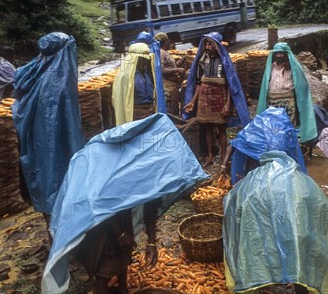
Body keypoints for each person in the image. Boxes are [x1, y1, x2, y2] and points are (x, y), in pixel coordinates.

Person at [42, 113, 210, 293]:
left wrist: (151, 243)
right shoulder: (106, 160)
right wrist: (119, 233)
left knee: (123, 255)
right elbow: (96, 202)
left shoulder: (150, 169)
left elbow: (151, 205)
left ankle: (122, 287)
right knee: (104, 268)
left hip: (118, 216)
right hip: (92, 217)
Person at [223, 151, 328, 293]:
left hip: (257, 226)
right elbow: (324, 217)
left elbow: (231, 205)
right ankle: (302, 287)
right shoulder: (305, 182)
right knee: (302, 255)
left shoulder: (250, 180)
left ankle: (257, 282)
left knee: (257, 250)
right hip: (299, 229)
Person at [12, 32, 85, 223]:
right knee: (59, 180)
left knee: (45, 183)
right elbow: (68, 125)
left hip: (36, 142)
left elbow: (18, 107)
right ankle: (61, 239)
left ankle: (52, 235)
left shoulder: (34, 71)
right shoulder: (59, 82)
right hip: (55, 143)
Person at [183, 32, 250, 166]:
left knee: (221, 128)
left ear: (216, 45)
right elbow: (198, 83)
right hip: (204, 96)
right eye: (206, 43)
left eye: (210, 44)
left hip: (220, 95)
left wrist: (227, 104)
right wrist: (192, 101)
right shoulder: (202, 60)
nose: (207, 46)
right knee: (207, 127)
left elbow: (231, 85)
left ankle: (224, 156)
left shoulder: (225, 61)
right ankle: (210, 155)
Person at [219, 106, 306, 183]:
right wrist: (224, 165)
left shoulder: (284, 136)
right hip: (259, 169)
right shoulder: (256, 131)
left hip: (274, 173)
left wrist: (224, 165)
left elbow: (234, 144)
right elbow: (235, 144)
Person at [256, 42, 317, 146]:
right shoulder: (270, 67)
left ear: (286, 54)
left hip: (288, 101)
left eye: (282, 53)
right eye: (277, 53)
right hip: (272, 101)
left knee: (288, 126)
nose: (279, 55)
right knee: (273, 127)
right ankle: (275, 149)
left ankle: (289, 149)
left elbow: (302, 84)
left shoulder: (293, 68)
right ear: (274, 54)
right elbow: (266, 83)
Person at [112, 42, 163, 125]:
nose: (144, 62)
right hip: (136, 111)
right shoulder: (125, 75)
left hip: (150, 109)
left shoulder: (148, 73)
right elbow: (120, 97)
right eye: (141, 59)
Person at [153, 32, 185, 115]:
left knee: (174, 109)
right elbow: (162, 70)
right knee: (171, 113)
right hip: (168, 88)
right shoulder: (161, 53)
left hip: (173, 87)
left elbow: (171, 66)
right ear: (166, 42)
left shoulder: (164, 52)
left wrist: (182, 60)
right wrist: (177, 70)